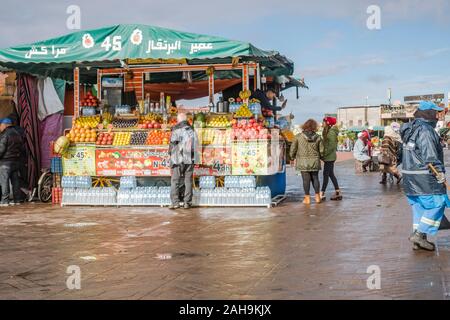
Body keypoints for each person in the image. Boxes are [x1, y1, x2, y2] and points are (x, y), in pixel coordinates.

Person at [400, 101, 450, 251]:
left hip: (410, 176)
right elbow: (430, 155)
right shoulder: (426, 130)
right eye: (435, 112)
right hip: (424, 176)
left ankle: (418, 239)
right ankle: (420, 235)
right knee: (437, 203)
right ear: (428, 114)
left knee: (419, 206)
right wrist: (439, 173)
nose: (437, 115)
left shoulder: (411, 128)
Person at [290, 119, 324, 205]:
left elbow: (293, 149)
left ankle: (307, 198)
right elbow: (322, 151)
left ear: (304, 126)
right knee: (315, 179)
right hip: (315, 161)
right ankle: (317, 197)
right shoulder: (318, 137)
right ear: (314, 127)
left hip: (302, 161)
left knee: (306, 180)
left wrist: (291, 157)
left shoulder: (298, 137)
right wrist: (322, 157)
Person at [169, 113, 197, 209]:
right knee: (188, 180)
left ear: (178, 120)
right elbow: (196, 145)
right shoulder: (192, 129)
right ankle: (187, 203)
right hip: (190, 158)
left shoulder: (176, 129)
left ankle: (175, 202)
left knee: (175, 180)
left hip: (178, 158)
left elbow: (172, 145)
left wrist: (171, 155)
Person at [0, 118, 25, 206]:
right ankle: (17, 200)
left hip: (5, 163)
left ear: (4, 125)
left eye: (1, 125)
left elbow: (1, 149)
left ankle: (5, 200)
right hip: (16, 162)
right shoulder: (18, 134)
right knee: (15, 182)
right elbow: (22, 149)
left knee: (4, 181)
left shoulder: (5, 135)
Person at [320, 117, 342, 201]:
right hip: (329, 157)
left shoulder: (331, 132)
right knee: (330, 174)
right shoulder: (327, 131)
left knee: (326, 174)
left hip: (329, 157)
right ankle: (337, 192)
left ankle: (322, 193)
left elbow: (332, 146)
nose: (322, 123)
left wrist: (324, 154)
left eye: (324, 122)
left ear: (328, 123)